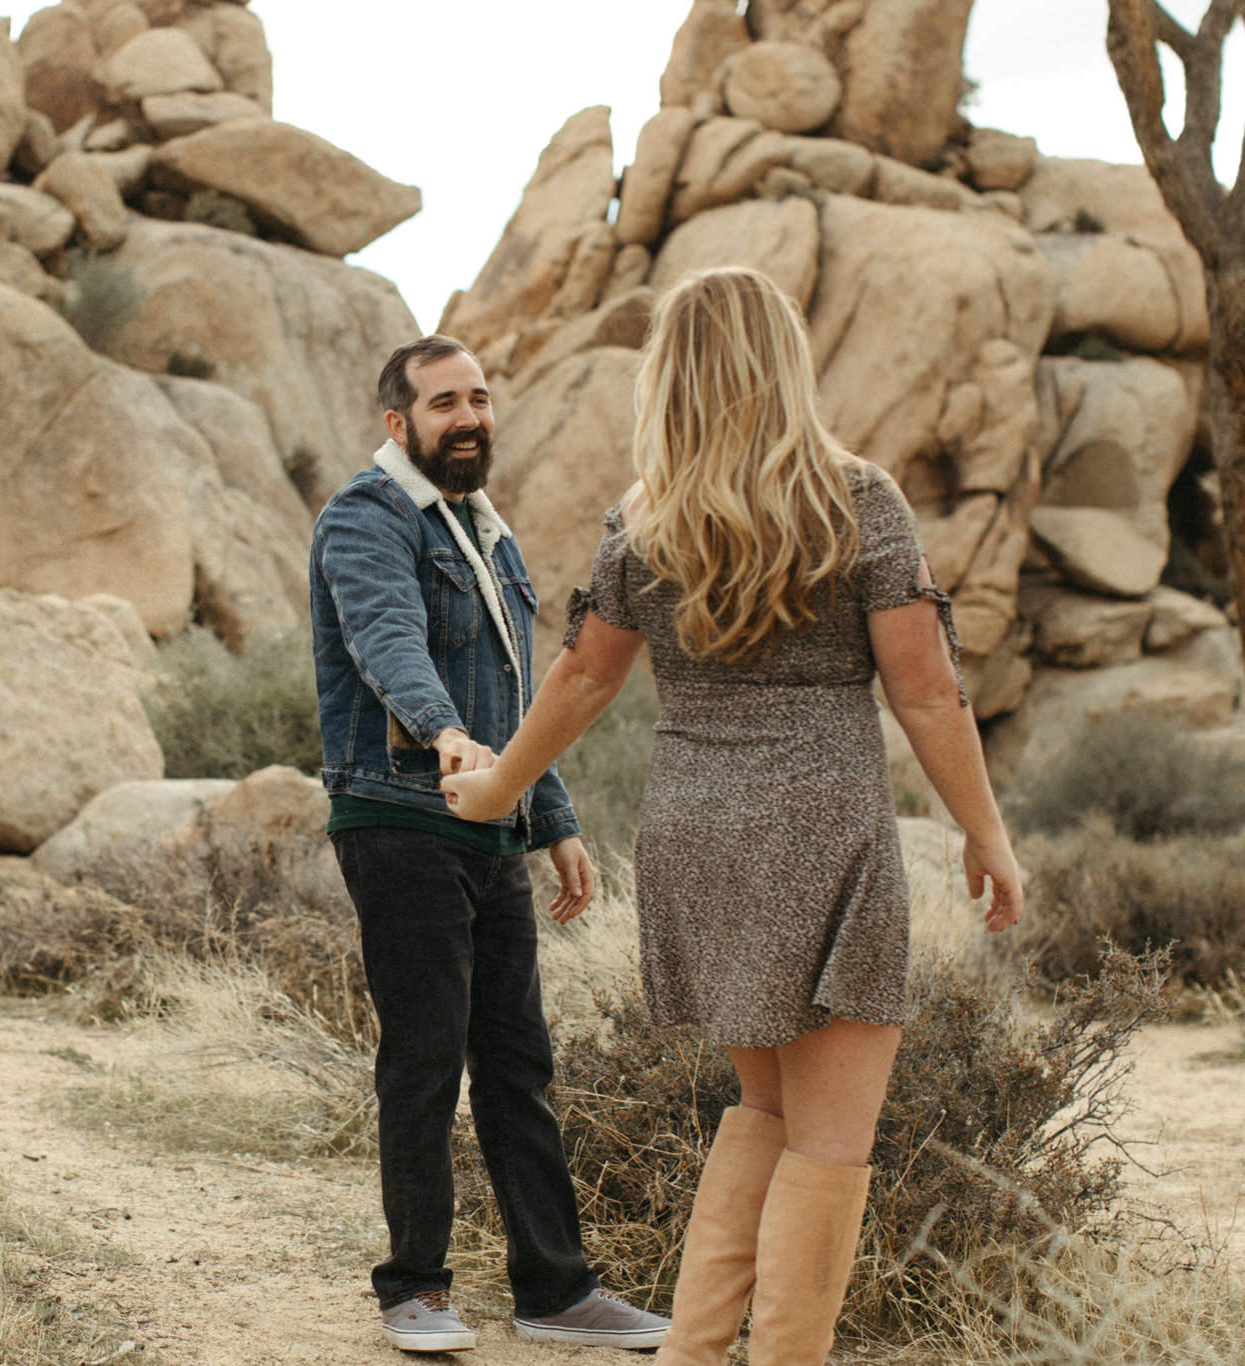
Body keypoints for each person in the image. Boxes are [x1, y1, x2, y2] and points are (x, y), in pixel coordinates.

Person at [441, 266, 1024, 1366]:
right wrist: (985, 833)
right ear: (785, 363)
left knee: (764, 1110)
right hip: (822, 835)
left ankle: (693, 1353)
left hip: (696, 834)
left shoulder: (644, 517)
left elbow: (579, 681)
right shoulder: (857, 501)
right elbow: (925, 688)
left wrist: (496, 789)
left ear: (670, 377)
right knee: (833, 1142)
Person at [308, 335, 672, 1354]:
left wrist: (547, 818)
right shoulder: (365, 517)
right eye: (441, 404)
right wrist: (442, 732)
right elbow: (387, 641)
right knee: (424, 1057)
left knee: (517, 1061)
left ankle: (554, 1292)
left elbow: (513, 694)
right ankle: (413, 1288)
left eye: (477, 398)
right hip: (396, 815)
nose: (467, 418)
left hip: (485, 826)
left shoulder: (482, 531)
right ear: (398, 424)